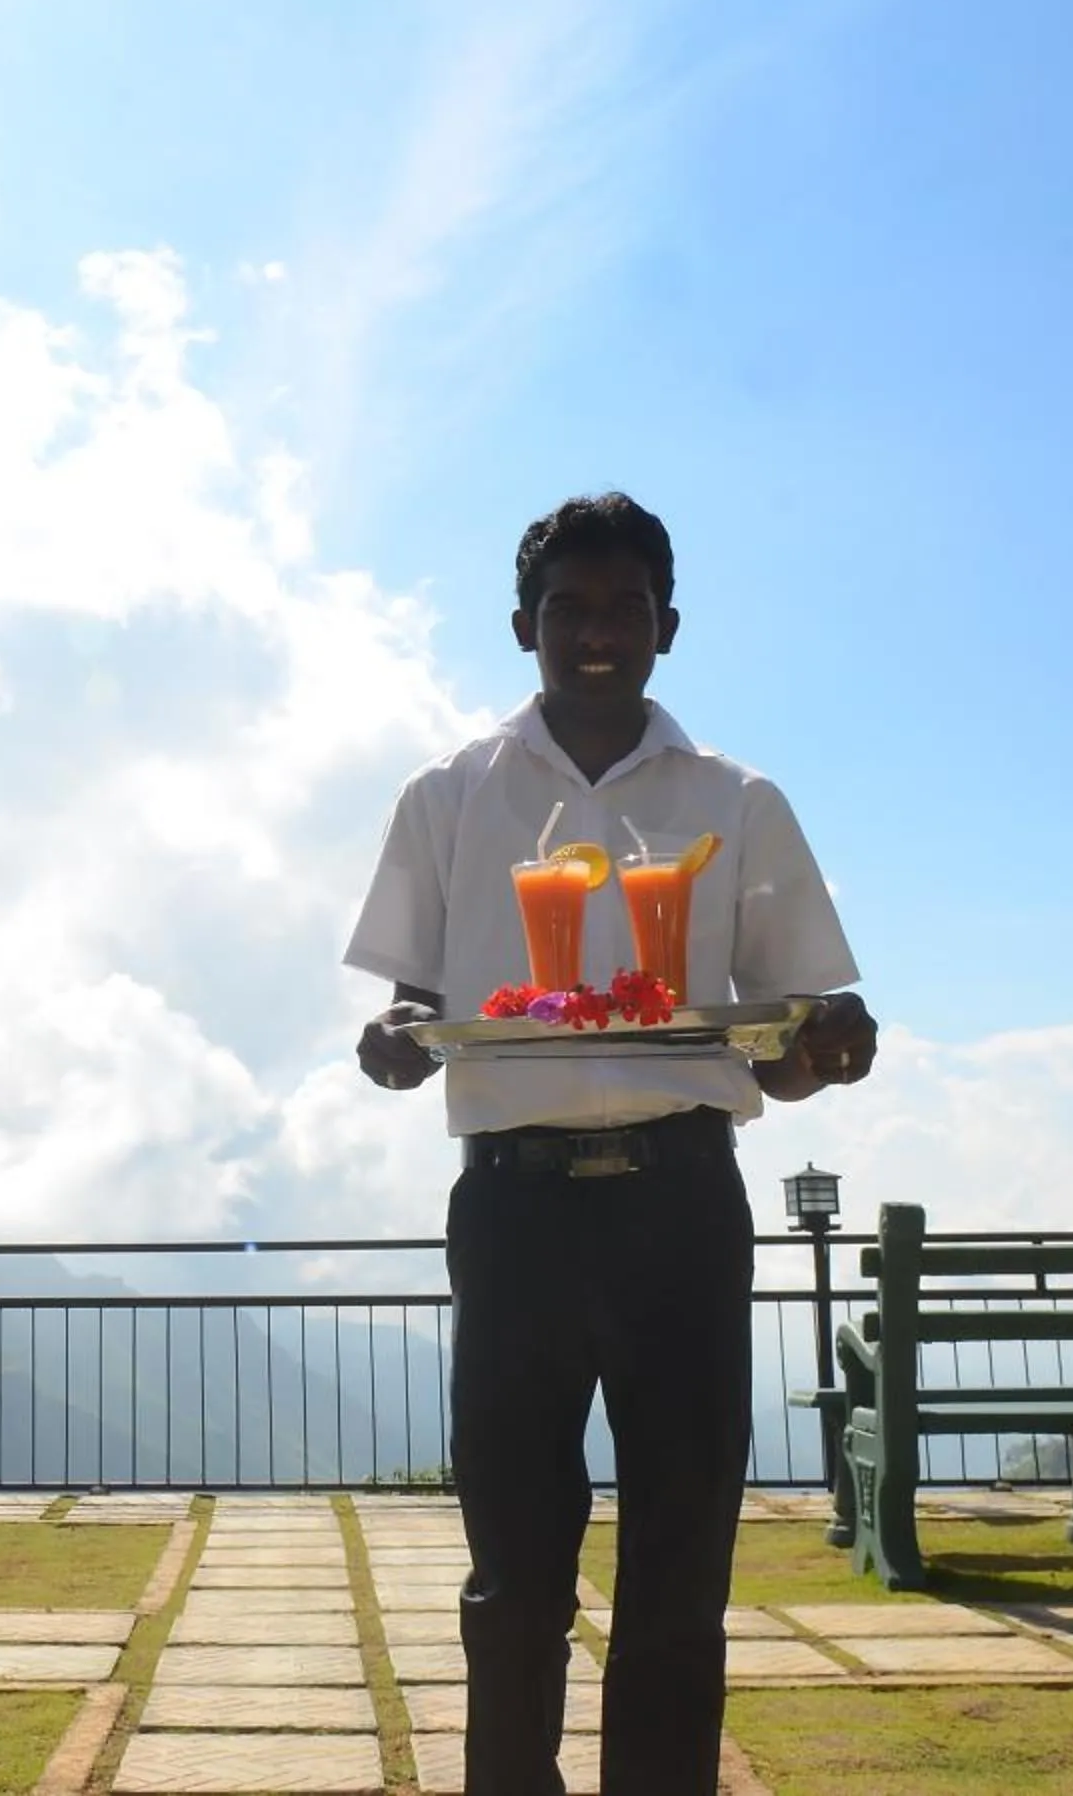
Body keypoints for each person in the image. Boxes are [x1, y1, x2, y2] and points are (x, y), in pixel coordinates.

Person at [344, 492, 877, 1795]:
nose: (596, 632)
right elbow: (414, 1002)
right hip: (516, 1211)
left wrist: (826, 1046)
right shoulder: (451, 797)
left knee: (682, 1569)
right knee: (514, 1567)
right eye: (569, 607)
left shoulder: (736, 803)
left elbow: (789, 1042)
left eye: (624, 608)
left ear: (668, 628)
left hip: (683, 1200)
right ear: (523, 624)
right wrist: (401, 1039)